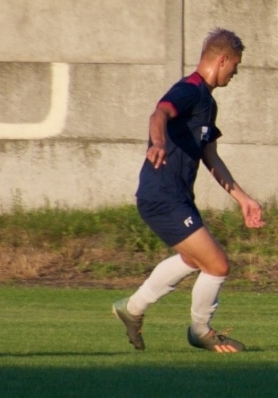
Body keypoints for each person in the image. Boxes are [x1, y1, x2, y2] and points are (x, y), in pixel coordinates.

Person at [113, 28, 264, 352]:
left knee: (193, 260)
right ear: (222, 59)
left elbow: (210, 156)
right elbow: (160, 112)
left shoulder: (207, 104)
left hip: (177, 196)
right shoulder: (190, 89)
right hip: (162, 195)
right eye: (235, 66)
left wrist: (243, 199)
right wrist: (157, 142)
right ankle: (200, 331)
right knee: (218, 265)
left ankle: (132, 308)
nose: (235, 73)